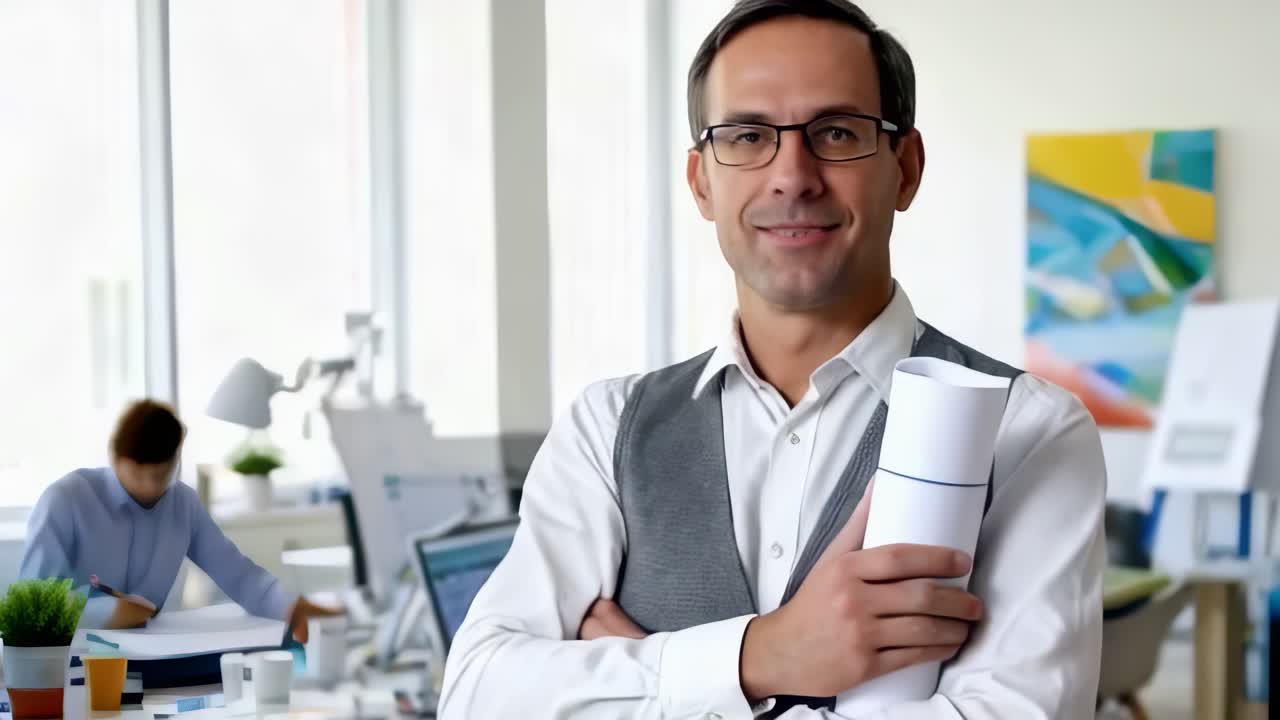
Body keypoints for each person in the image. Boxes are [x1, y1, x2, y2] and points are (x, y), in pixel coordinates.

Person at [440, 0, 1105, 717]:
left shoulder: (1028, 430)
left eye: (837, 132)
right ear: (701, 182)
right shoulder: (607, 427)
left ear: (905, 169)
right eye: (748, 134)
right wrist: (764, 654)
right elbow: (478, 692)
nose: (792, 175)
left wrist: (649, 682)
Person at [20, 399, 338, 641]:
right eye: (136, 474)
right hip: (69, 665)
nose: (149, 486)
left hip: (150, 661)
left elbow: (238, 574)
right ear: (114, 457)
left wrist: (289, 607)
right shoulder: (66, 500)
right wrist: (107, 612)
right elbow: (33, 606)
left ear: (178, 455)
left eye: (160, 474)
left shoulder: (182, 504)